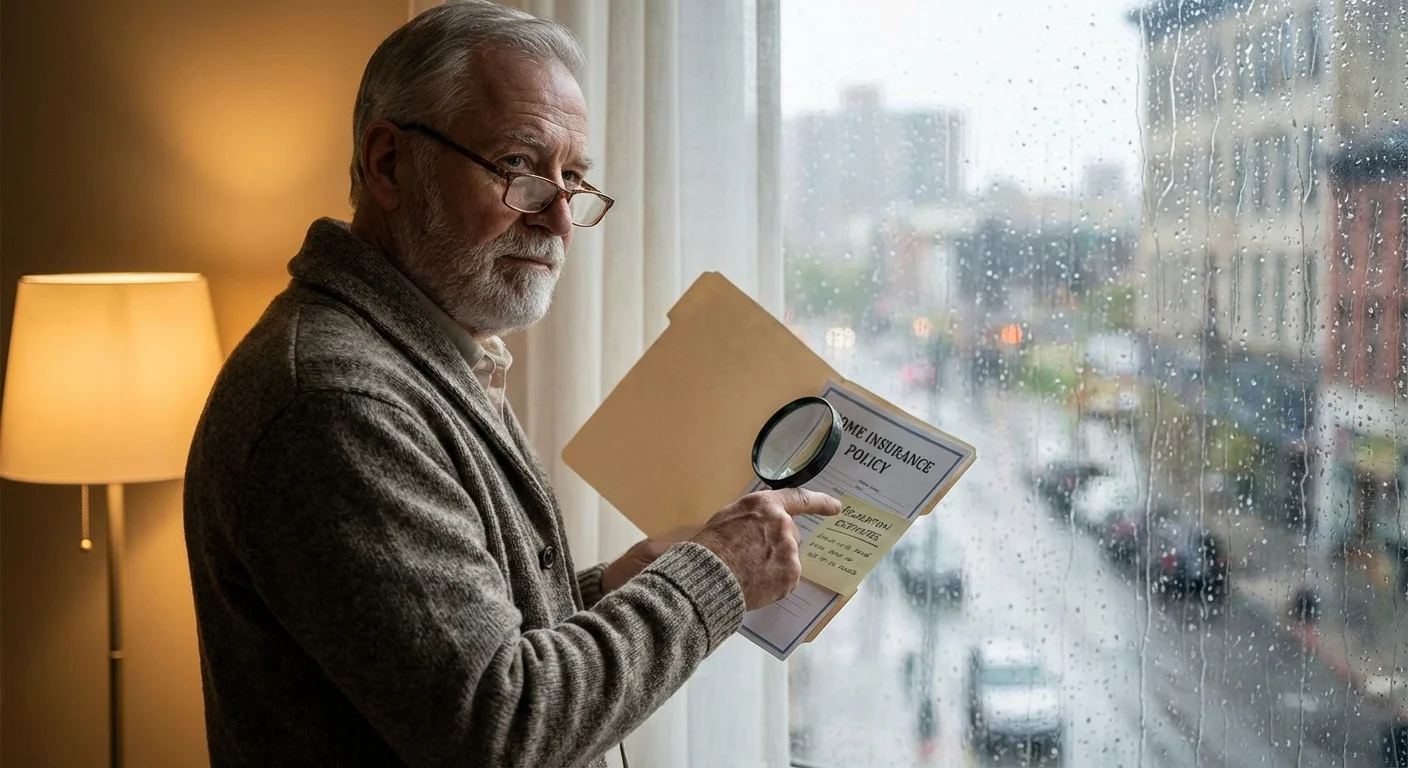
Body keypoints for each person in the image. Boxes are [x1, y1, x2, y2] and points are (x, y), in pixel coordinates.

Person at [181, 3, 841, 767]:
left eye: (575, 178)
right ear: (391, 164)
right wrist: (715, 575)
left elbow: (437, 660)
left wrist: (608, 589)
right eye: (519, 167)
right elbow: (498, 727)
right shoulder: (336, 404)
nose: (561, 220)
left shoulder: (421, 357)